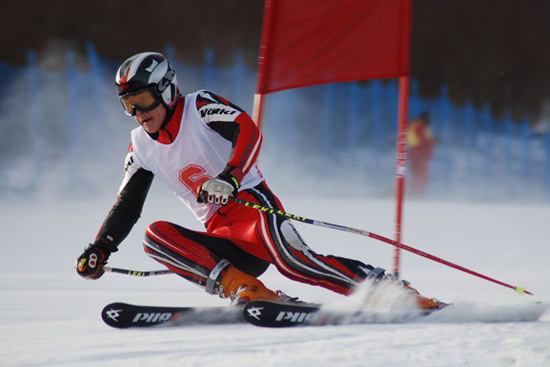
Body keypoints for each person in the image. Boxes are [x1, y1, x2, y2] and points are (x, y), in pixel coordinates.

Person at [76, 52, 441, 309]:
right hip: (222, 236)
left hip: (253, 208)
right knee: (155, 237)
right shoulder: (140, 146)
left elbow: (246, 129)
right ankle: (244, 288)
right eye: (129, 105)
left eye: (143, 99)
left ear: (166, 90)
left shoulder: (199, 106)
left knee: (297, 264)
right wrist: (100, 248)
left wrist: (230, 177)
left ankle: (390, 292)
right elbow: (126, 206)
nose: (138, 113)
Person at [407, 111, 437, 196]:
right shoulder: (419, 126)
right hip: (418, 154)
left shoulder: (417, 125)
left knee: (418, 174)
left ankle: (414, 192)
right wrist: (434, 141)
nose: (430, 120)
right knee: (420, 175)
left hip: (417, 153)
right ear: (424, 118)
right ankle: (416, 193)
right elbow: (424, 140)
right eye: (429, 118)